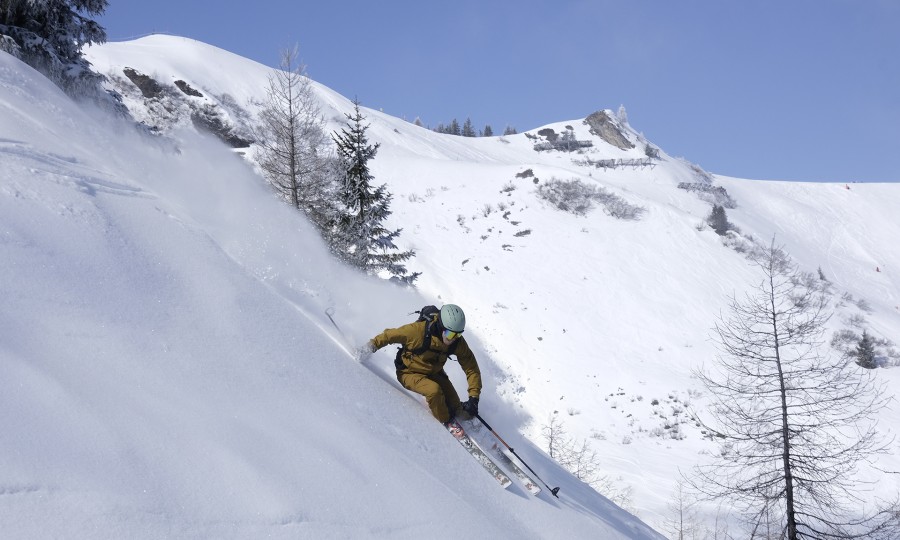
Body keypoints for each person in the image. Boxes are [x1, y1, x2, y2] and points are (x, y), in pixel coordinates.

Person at [360, 304, 481, 431]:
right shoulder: (417, 332)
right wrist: (369, 348)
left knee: (455, 405)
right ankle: (447, 422)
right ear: (440, 326)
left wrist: (474, 397)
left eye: (458, 335)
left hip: (434, 373)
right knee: (434, 391)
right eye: (450, 334)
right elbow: (389, 335)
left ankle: (456, 411)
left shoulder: (456, 342)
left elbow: (471, 367)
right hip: (409, 372)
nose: (453, 339)